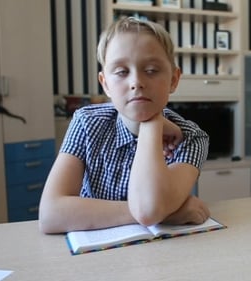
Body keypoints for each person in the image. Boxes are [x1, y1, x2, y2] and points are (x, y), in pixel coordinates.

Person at [38, 17, 210, 234]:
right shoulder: (86, 122)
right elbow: (49, 215)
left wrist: (151, 123)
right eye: (121, 71)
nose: (136, 82)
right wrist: (167, 213)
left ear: (174, 79)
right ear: (106, 84)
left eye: (151, 70)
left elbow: (148, 209)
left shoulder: (191, 138)